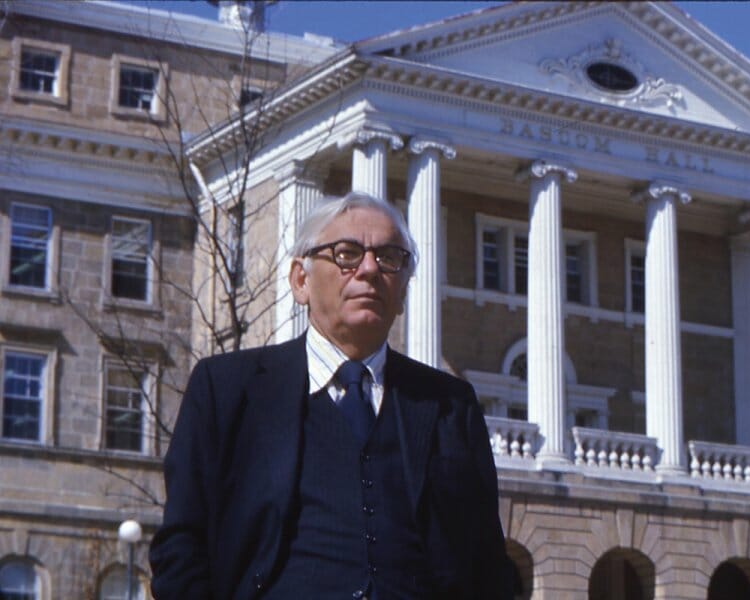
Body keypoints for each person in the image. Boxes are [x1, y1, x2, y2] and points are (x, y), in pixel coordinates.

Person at [149, 192, 514, 599]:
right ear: (300, 281)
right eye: (347, 254)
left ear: (404, 290)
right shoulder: (227, 389)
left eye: (389, 257)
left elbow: (486, 564)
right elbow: (182, 546)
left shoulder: (450, 405)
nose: (370, 269)